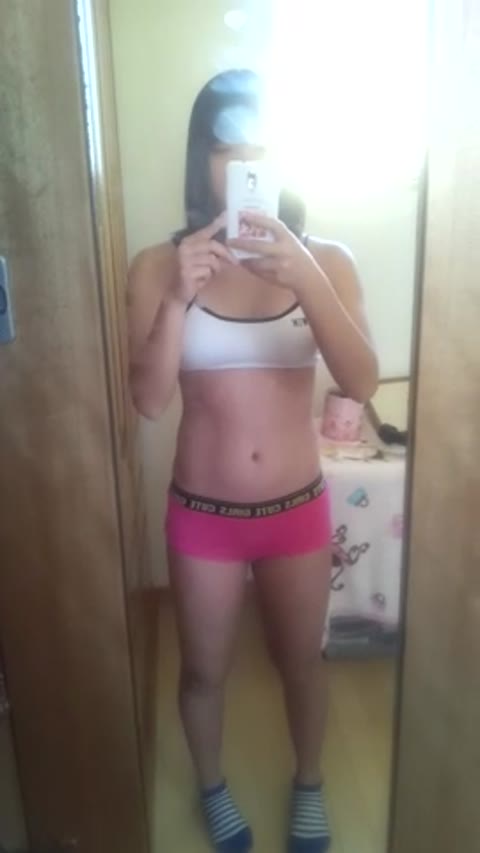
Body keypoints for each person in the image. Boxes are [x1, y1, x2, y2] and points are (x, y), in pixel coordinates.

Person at [127, 68, 378, 853]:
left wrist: (306, 274)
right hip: (203, 515)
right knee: (204, 669)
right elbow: (148, 400)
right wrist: (176, 299)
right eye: (225, 146)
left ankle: (310, 782)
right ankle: (211, 787)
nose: (243, 161)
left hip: (296, 509)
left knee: (302, 660)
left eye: (260, 145)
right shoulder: (158, 264)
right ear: (201, 158)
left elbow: (361, 381)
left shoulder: (327, 258)